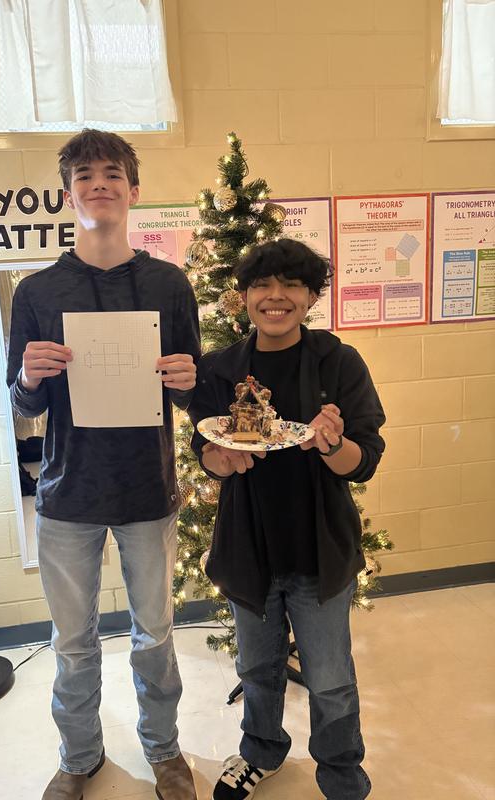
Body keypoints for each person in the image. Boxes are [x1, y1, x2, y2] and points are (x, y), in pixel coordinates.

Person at [7, 129, 201, 800]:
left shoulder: (168, 285)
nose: (100, 183)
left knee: (154, 637)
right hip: (67, 498)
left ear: (133, 192)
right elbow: (22, 402)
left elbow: (196, 391)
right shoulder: (37, 290)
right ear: (69, 196)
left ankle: (165, 752)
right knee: (73, 644)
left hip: (148, 491)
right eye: (85, 175)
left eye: (112, 174)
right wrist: (31, 377)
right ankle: (80, 757)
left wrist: (188, 379)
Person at [187, 238, 385, 800]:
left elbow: (363, 461)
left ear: (311, 296)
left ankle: (341, 770)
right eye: (263, 286)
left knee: (330, 679)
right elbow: (209, 448)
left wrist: (331, 442)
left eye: (292, 285)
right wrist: (220, 460)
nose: (276, 297)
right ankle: (261, 752)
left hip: (319, 547)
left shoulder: (336, 362)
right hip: (248, 545)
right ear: (243, 296)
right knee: (257, 669)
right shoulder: (221, 369)